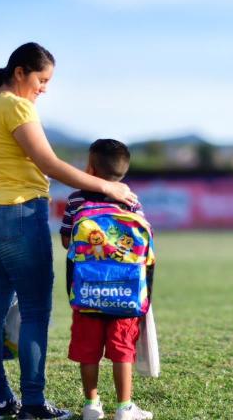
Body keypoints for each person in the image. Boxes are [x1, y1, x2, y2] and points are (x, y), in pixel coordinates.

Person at [0, 43, 137, 420]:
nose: (44, 88)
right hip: (18, 216)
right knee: (34, 310)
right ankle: (32, 403)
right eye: (41, 79)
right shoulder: (15, 105)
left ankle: (0, 402)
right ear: (20, 73)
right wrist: (108, 187)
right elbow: (49, 163)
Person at [60, 139, 153, 420]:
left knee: (88, 350)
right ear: (123, 172)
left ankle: (91, 405)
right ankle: (124, 408)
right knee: (123, 349)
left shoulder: (77, 199)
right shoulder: (131, 199)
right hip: (125, 292)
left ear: (90, 166)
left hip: (87, 290)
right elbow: (142, 247)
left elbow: (67, 241)